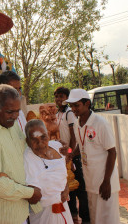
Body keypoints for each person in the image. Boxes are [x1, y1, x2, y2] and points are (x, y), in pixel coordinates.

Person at [0, 84, 42, 224]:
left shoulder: (10, 122)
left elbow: (24, 147)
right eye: (10, 112)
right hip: (4, 215)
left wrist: (54, 148)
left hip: (20, 208)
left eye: (17, 111)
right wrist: (29, 193)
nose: (16, 116)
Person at [65, 89, 120, 224]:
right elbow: (81, 145)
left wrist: (106, 181)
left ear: (87, 104)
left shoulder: (101, 124)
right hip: (90, 181)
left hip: (105, 182)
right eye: (71, 106)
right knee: (96, 218)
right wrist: (71, 154)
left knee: (109, 219)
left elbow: (112, 152)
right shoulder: (78, 124)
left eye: (76, 105)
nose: (73, 109)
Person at [22, 119, 73, 224]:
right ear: (27, 142)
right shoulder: (27, 157)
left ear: (48, 135)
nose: (40, 143)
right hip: (44, 214)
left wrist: (68, 150)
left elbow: (70, 152)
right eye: (34, 139)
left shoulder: (56, 146)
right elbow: (34, 195)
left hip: (64, 208)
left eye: (43, 137)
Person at [54, 86, 90, 223]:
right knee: (69, 187)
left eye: (62, 97)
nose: (58, 99)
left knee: (80, 187)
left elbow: (73, 136)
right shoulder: (58, 113)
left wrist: (70, 152)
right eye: (57, 96)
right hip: (64, 155)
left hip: (72, 154)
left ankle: (85, 218)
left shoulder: (69, 113)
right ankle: (73, 215)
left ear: (67, 99)